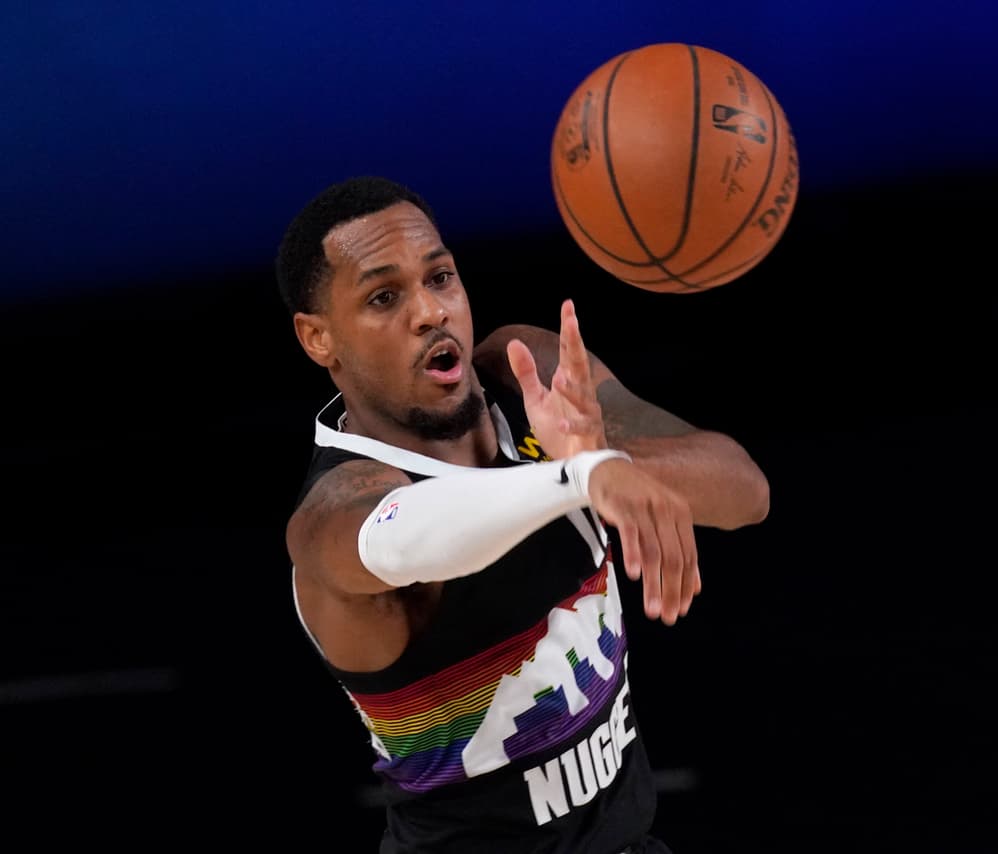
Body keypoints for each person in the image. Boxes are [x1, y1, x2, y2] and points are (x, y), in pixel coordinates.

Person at [274, 174, 770, 853]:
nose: (430, 312)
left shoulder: (524, 373)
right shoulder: (334, 510)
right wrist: (578, 476)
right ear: (318, 338)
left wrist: (605, 458)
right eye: (384, 297)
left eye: (440, 277)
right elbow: (410, 537)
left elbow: (745, 491)